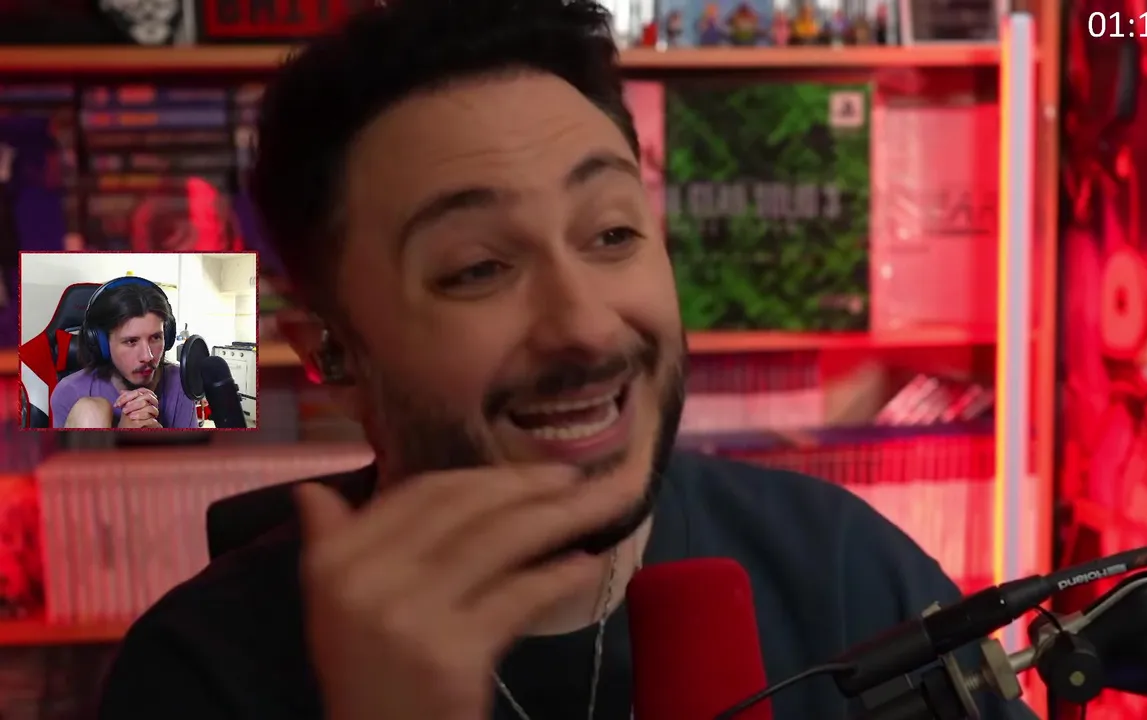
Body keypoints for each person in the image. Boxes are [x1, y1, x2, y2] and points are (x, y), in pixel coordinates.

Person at [97, 1, 1039, 718]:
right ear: (335, 357)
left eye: (613, 233)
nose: (586, 327)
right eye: (477, 268)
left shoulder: (843, 571)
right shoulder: (201, 673)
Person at [51, 277, 198, 429]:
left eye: (155, 338)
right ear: (103, 344)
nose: (147, 356)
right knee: (90, 410)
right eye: (131, 341)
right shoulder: (70, 392)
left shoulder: (180, 383)